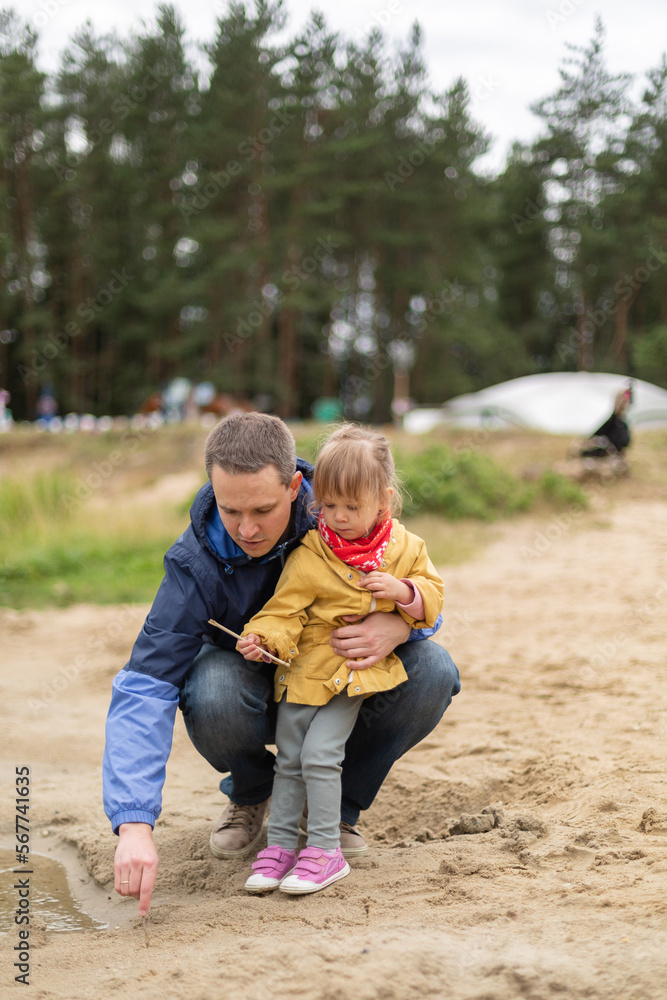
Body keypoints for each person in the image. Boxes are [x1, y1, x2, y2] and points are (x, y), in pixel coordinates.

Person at [103, 412, 460, 915]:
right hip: (249, 684)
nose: (247, 529)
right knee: (211, 688)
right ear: (212, 488)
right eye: (230, 510)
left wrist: (403, 624)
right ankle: (253, 794)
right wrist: (134, 825)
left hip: (339, 677)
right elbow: (145, 683)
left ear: (296, 487)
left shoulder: (340, 504)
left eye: (263, 509)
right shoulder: (192, 563)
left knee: (435, 671)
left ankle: (334, 813)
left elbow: (423, 589)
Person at [238, 424, 444, 895]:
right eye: (328, 505)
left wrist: (404, 593)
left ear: (383, 500)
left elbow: (434, 594)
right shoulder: (312, 551)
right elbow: (283, 611)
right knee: (289, 759)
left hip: (348, 677)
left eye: (353, 506)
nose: (339, 517)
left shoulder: (405, 549)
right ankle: (282, 846)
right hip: (301, 675)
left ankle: (327, 849)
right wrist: (263, 637)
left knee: (320, 754)